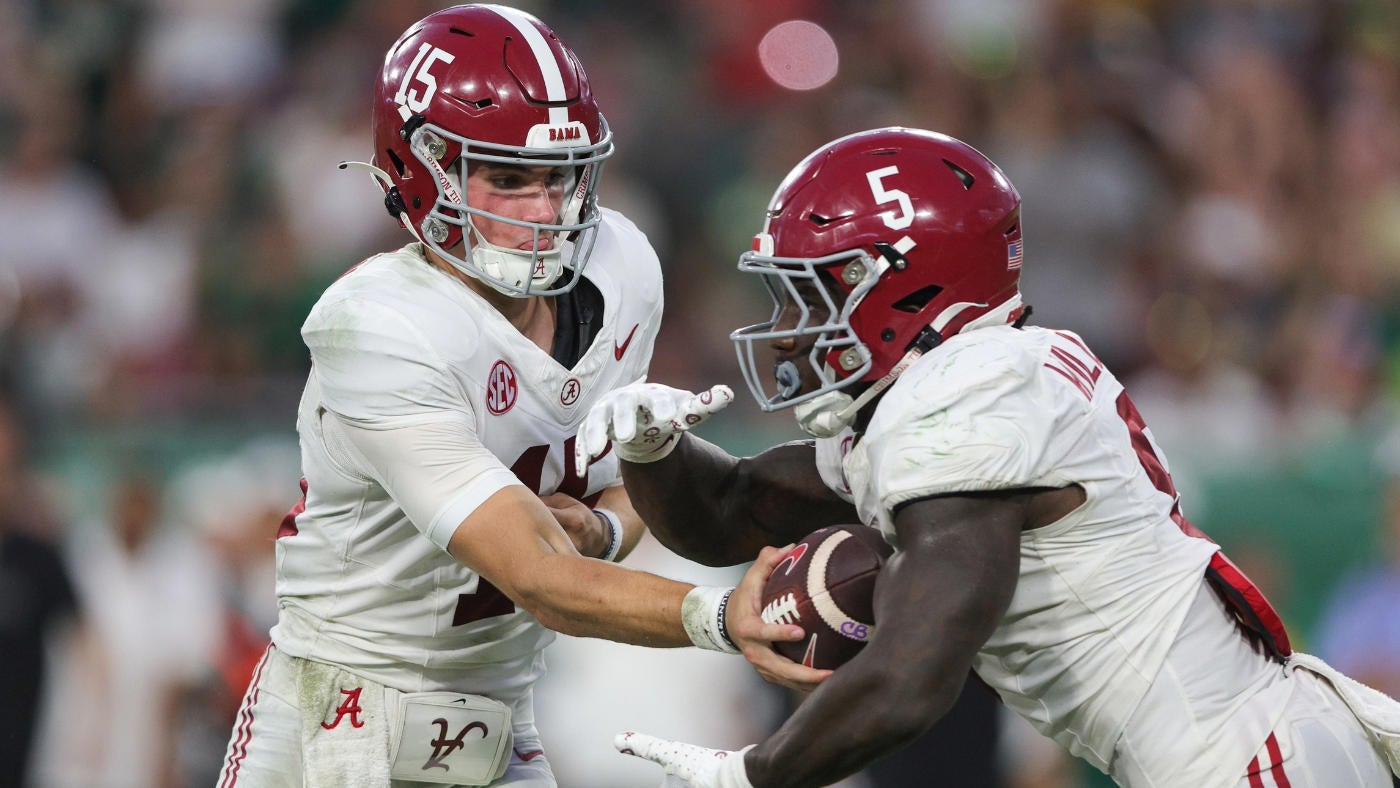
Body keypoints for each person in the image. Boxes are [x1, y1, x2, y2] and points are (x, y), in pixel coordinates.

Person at [575, 127, 1400, 788]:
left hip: (1243, 761)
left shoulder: (967, 393)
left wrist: (751, 774)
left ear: (908, 287)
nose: (791, 327)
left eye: (816, 292)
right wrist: (652, 446)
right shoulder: (971, 378)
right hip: (1243, 748)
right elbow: (734, 512)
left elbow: (909, 679)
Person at [216, 6, 798, 787]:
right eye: (509, 178)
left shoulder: (623, 265)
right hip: (340, 714)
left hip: (496, 714)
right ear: (422, 169)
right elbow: (534, 575)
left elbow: (618, 497)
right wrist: (717, 616)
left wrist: (600, 526)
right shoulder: (381, 325)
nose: (545, 213)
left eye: (561, 177)